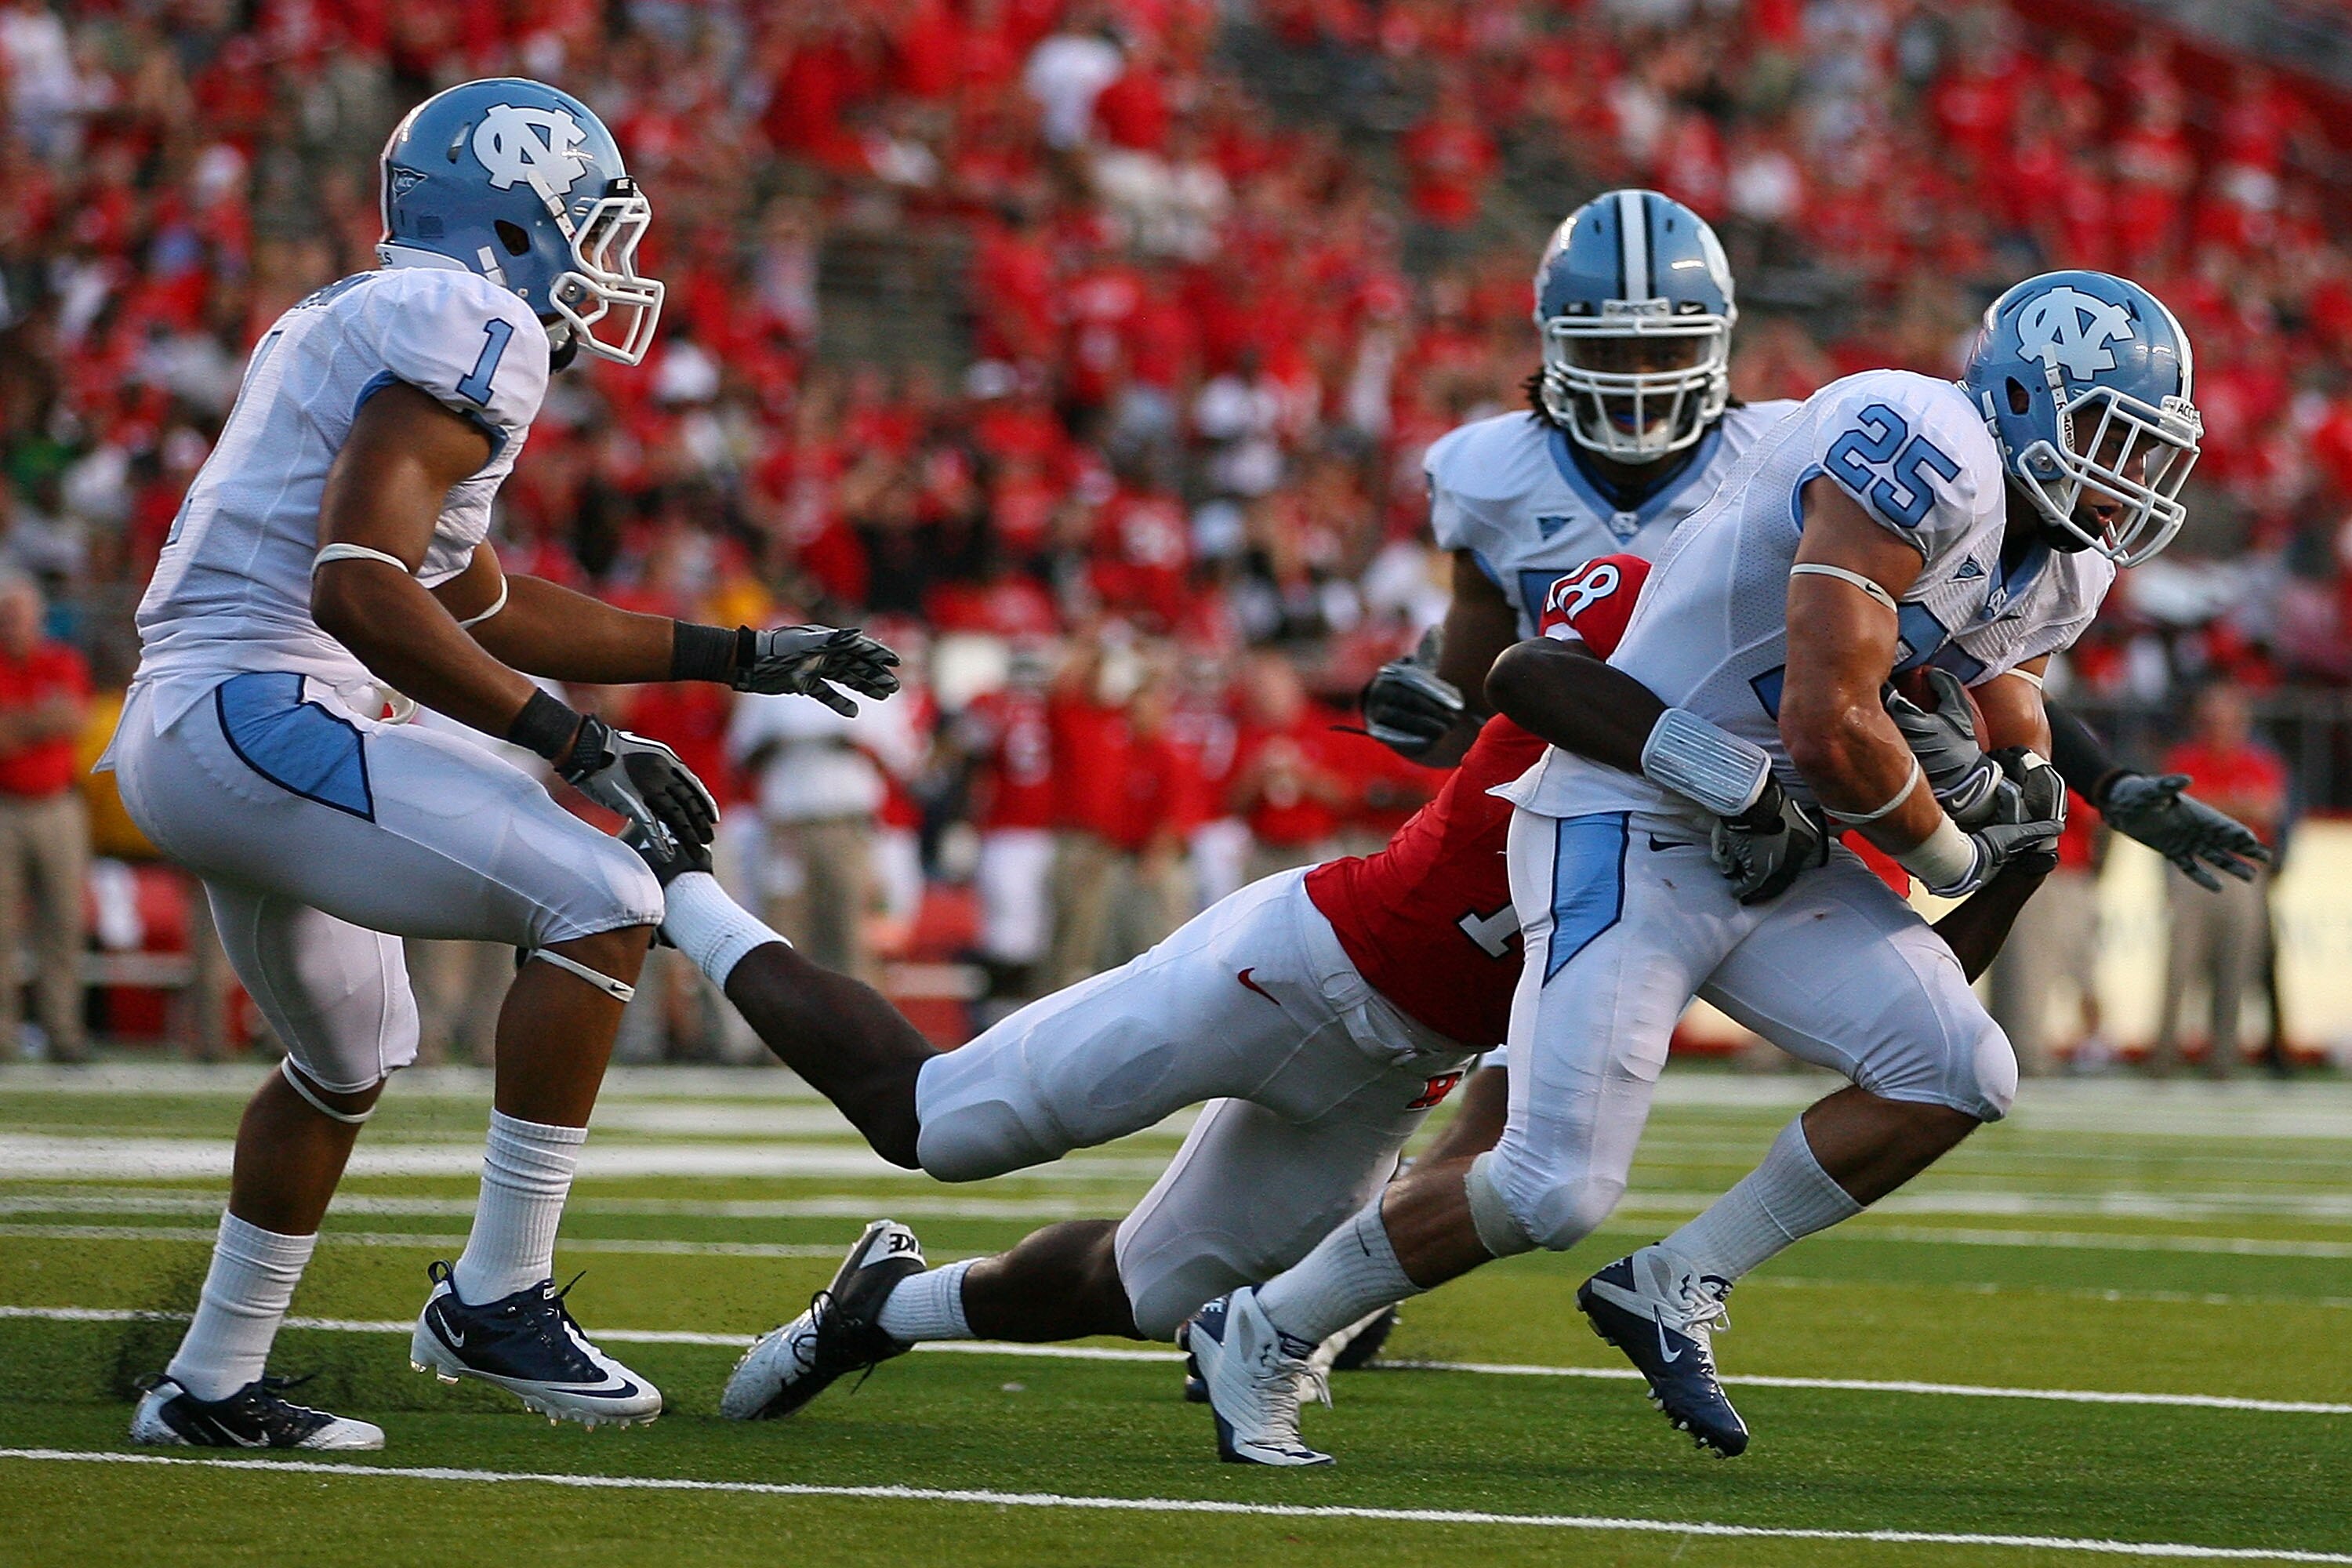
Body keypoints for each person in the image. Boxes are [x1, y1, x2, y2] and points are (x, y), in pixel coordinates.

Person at [619, 554, 2043, 1428]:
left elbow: (1905, 1017)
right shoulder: (1654, 670)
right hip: (1297, 966)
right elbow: (1532, 666)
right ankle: (676, 895)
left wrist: (2001, 862)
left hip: (1398, 1069)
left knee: (1150, 1285)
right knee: (938, 1123)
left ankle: (880, 1311)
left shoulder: (1811, 807)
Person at [1189, 269, 2203, 1466]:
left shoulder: (2064, 562)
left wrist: (2026, 776)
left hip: (1775, 841)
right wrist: (1961, 840)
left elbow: (2002, 675)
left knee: (1958, 1066)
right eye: (2102, 434)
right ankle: (1263, 1326)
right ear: (2022, 399)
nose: (2125, 474)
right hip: (1636, 805)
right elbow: (1829, 723)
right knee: (1548, 1187)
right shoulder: (1923, 444)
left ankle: (1674, 1284)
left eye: (2144, 449)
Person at [102, 78, 897, 1453]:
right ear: (512, 221)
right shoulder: (465, 322)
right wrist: (574, 744)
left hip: (207, 719)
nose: (605, 262)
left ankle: (209, 1384)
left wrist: (735, 653)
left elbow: (473, 596)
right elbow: (359, 586)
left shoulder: (373, 318)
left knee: (345, 1061)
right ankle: (498, 1294)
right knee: (607, 897)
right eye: (589, 224)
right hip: (260, 705)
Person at [2152, 681, 2285, 1076]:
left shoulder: (2260, 761)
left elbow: (2270, 809)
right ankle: (2165, 1055)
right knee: (2180, 967)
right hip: (2196, 869)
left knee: (2236, 968)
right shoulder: (2184, 757)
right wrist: (2238, 806)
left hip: (2242, 873)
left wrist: (2211, 805)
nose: (2218, 728)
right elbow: (2174, 809)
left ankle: (2224, 1056)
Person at [0, 572, 93, 1062]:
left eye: (20, 613)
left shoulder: (61, 660)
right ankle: (5, 1034)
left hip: (57, 804)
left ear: (38, 617)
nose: (13, 622)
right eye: (7, 614)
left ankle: (63, 1031)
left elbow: (74, 719)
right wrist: (42, 721)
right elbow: (52, 720)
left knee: (64, 924)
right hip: (6, 805)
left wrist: (17, 724)